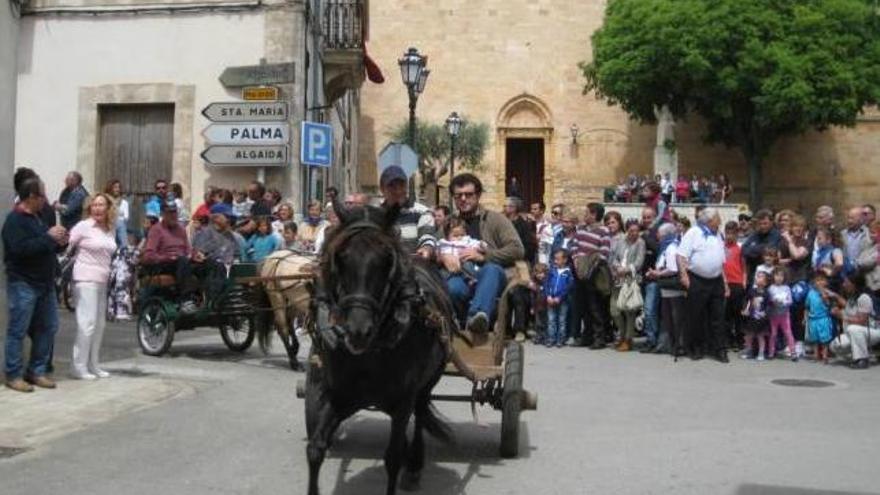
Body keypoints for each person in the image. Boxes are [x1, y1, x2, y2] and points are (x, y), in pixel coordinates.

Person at [3, 177, 68, 392]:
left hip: (45, 284)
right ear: (31, 197)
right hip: (24, 283)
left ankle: (37, 370)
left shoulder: (38, 218)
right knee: (18, 330)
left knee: (48, 327)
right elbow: (20, 250)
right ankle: (13, 374)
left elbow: (44, 246)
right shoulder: (15, 220)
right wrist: (49, 238)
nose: (45, 201)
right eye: (42, 196)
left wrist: (59, 242)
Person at [442, 173, 524, 334]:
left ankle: (476, 318)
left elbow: (517, 249)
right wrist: (443, 256)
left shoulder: (496, 220)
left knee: (491, 269)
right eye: (458, 195)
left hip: (491, 277)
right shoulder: (450, 222)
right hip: (461, 276)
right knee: (453, 288)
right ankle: (458, 323)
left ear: (478, 195)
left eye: (469, 194)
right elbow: (436, 246)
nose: (463, 199)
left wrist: (485, 256)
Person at [67, 193, 118, 379]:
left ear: (108, 208)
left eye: (101, 205)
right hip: (85, 279)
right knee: (86, 323)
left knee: (99, 325)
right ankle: (78, 365)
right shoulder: (83, 226)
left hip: (102, 279)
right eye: (94, 205)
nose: (97, 208)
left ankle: (94, 363)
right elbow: (67, 245)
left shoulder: (109, 229)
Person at [677, 207, 729, 362]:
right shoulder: (693, 232)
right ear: (710, 220)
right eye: (718, 218)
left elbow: (721, 261)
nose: (720, 221)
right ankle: (695, 348)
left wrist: (725, 282)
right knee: (696, 316)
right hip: (698, 279)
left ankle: (719, 349)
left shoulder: (718, 234)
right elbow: (680, 255)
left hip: (716, 280)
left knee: (718, 316)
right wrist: (684, 275)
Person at [140, 200, 197, 313]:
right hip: (164, 264)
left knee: (212, 264)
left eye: (174, 212)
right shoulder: (156, 230)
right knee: (182, 260)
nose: (173, 215)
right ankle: (185, 300)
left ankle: (215, 299)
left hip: (182, 262)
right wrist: (167, 257)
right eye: (169, 213)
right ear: (162, 214)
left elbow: (188, 249)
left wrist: (195, 255)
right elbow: (149, 255)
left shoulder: (181, 229)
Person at [571, 203, 612, 349]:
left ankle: (599, 338)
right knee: (583, 306)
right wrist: (576, 261)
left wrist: (591, 269)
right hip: (579, 270)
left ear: (594, 215)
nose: (584, 215)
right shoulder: (581, 229)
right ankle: (586, 336)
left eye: (587, 212)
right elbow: (575, 246)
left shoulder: (603, 231)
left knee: (595, 306)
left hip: (594, 272)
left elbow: (604, 252)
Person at [379, 166, 437, 257]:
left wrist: (426, 248)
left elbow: (427, 236)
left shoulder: (422, 212)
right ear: (382, 189)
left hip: (412, 265)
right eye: (392, 186)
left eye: (401, 185)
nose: (398, 191)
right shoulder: (375, 214)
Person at [646, 222, 684, 354]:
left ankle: (678, 345)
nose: (658, 238)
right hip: (667, 288)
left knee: (674, 317)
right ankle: (674, 345)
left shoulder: (671, 248)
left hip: (672, 287)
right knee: (669, 318)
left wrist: (658, 273)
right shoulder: (667, 247)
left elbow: (673, 269)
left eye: (660, 235)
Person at [609, 218, 645, 351]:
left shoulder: (640, 243)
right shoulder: (620, 241)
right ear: (627, 230)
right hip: (617, 279)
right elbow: (613, 257)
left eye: (636, 230)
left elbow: (639, 261)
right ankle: (622, 334)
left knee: (629, 310)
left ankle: (627, 339)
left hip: (631, 280)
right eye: (631, 230)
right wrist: (617, 267)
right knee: (615, 310)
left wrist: (627, 269)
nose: (634, 233)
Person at [829, 273, 878, 369]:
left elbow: (862, 321)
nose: (844, 284)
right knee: (835, 345)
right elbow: (847, 305)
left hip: (871, 331)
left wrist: (842, 316)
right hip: (857, 333)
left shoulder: (864, 298)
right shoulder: (853, 297)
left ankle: (862, 359)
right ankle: (857, 353)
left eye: (846, 282)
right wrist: (835, 296)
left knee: (853, 329)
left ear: (854, 284)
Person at [780, 214, 811, 358]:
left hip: (801, 279)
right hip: (787, 280)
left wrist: (789, 241)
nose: (798, 229)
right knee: (788, 312)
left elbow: (798, 255)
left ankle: (799, 342)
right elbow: (779, 259)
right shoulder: (785, 242)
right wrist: (786, 258)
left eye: (801, 227)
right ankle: (789, 341)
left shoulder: (807, 242)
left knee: (798, 310)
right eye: (795, 226)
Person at [741, 209, 781, 287]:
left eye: (765, 223)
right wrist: (760, 248)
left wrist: (753, 248)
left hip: (770, 276)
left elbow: (769, 249)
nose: (762, 226)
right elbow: (744, 250)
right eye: (760, 224)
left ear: (771, 223)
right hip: (754, 275)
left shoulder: (776, 234)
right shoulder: (755, 234)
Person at [438, 217, 485, 282]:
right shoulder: (444, 243)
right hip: (450, 264)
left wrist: (481, 245)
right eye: (455, 235)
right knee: (443, 272)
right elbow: (438, 251)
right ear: (447, 236)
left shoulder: (467, 240)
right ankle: (440, 283)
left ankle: (471, 279)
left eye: (462, 235)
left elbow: (475, 243)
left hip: (464, 260)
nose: (460, 237)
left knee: (468, 264)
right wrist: (442, 256)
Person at [723, 221, 746, 350]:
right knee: (725, 314)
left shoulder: (740, 248)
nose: (729, 236)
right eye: (727, 233)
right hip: (725, 283)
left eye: (732, 233)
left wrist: (743, 281)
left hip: (737, 283)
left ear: (737, 234)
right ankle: (728, 339)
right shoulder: (721, 247)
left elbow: (744, 266)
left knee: (737, 313)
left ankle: (739, 339)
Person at [544, 249, 574, 347]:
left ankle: (561, 339)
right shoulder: (552, 271)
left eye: (558, 259)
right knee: (551, 320)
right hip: (551, 299)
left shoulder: (568, 273)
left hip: (562, 300)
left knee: (562, 320)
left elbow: (568, 287)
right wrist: (548, 295)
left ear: (565, 260)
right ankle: (551, 338)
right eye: (555, 259)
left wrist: (560, 297)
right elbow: (546, 284)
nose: (555, 261)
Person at [804, 273, 836, 363]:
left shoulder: (827, 292)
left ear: (826, 282)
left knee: (824, 338)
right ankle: (816, 354)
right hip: (813, 318)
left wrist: (825, 297)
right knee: (814, 338)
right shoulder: (810, 293)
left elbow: (829, 305)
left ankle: (825, 355)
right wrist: (805, 317)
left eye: (822, 280)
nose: (820, 283)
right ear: (814, 282)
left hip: (823, 318)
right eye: (817, 281)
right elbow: (807, 306)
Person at [767, 267, 797, 361]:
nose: (779, 278)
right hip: (774, 315)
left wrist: (784, 302)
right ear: (773, 276)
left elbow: (790, 301)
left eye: (781, 276)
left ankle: (793, 353)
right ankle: (771, 353)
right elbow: (768, 301)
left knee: (788, 333)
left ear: (784, 277)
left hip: (785, 315)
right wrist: (773, 301)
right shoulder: (770, 288)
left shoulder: (786, 288)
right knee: (773, 334)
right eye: (777, 275)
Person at [740, 271, 771, 361]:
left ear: (765, 282)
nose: (757, 278)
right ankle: (748, 351)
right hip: (752, 318)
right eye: (757, 276)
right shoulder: (751, 291)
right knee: (749, 335)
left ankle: (761, 353)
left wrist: (765, 313)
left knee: (760, 336)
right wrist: (745, 309)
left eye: (760, 277)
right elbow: (746, 301)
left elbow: (769, 305)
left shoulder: (766, 293)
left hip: (761, 319)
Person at [504, 197, 537, 266]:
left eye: (505, 206)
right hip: (504, 261)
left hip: (520, 262)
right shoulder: (503, 223)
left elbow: (530, 246)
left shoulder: (524, 226)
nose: (504, 208)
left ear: (514, 208)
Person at [842, 206, 873, 274]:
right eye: (848, 218)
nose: (849, 221)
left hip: (863, 274)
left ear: (860, 219)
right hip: (845, 274)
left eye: (852, 218)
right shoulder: (843, 234)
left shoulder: (869, 235)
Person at [105, 179, 130, 246]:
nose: (117, 189)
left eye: (119, 187)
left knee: (119, 222)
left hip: (120, 226)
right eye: (115, 187)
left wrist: (115, 214)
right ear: (110, 188)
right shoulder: (105, 200)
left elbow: (126, 217)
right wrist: (118, 214)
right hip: (107, 224)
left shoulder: (124, 202)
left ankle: (124, 247)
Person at [529, 263, 549, 345]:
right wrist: (532, 307)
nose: (539, 275)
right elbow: (532, 297)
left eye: (541, 273)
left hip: (546, 306)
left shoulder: (547, 283)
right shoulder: (534, 285)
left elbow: (547, 293)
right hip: (537, 307)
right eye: (537, 273)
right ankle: (539, 336)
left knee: (546, 322)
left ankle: (545, 337)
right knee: (538, 323)